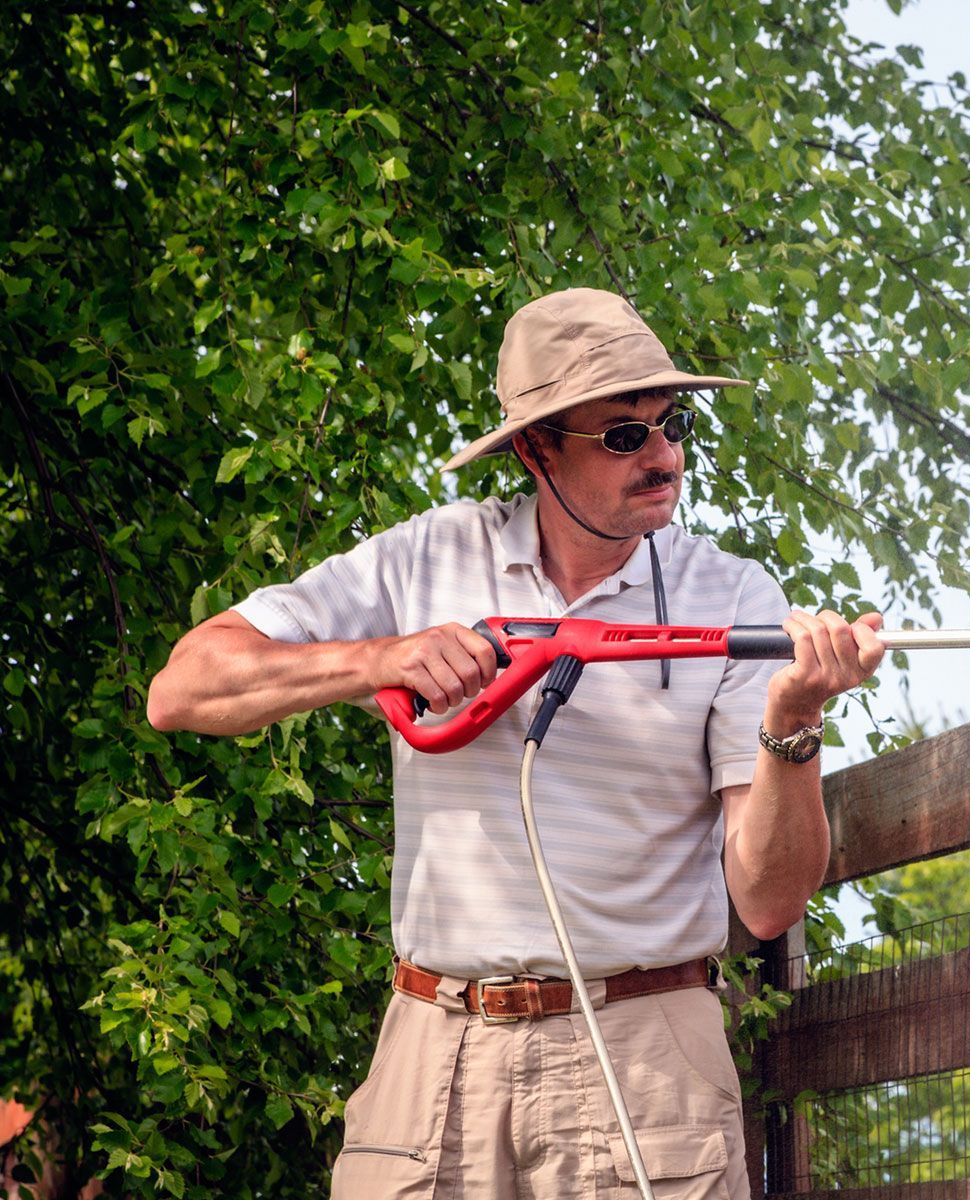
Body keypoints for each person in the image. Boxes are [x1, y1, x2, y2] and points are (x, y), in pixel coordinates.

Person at [146, 287, 883, 1199]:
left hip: (644, 1053)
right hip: (432, 1055)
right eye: (623, 435)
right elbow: (182, 689)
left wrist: (795, 725)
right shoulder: (424, 560)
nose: (663, 455)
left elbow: (769, 902)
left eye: (672, 422)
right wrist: (381, 656)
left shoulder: (731, 600)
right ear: (536, 448)